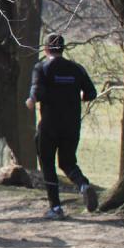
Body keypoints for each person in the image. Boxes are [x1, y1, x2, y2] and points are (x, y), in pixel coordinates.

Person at [27, 34, 98, 219]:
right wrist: (77, 95)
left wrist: (32, 99)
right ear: (63, 49)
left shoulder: (41, 67)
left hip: (50, 124)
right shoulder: (76, 68)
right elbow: (91, 92)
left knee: (47, 163)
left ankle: (56, 208)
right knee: (67, 162)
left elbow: (37, 90)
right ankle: (83, 185)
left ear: (46, 49)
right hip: (72, 124)